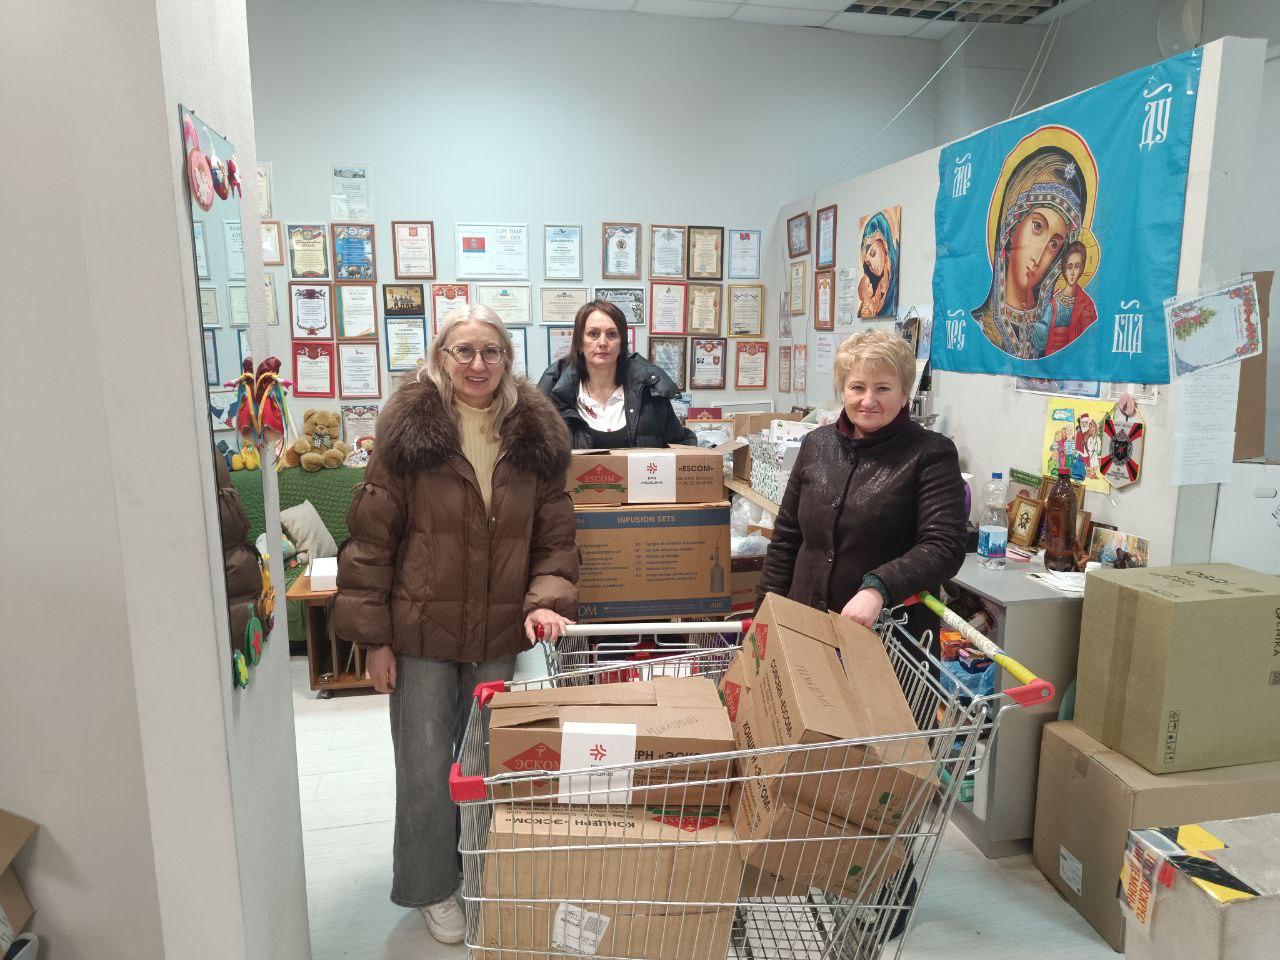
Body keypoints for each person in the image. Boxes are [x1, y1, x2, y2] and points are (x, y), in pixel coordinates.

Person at [333, 304, 578, 944]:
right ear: (442, 356)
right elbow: (370, 541)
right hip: (420, 631)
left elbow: (554, 536)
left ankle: (480, 869)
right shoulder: (409, 431)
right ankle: (431, 886)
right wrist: (375, 640)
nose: (477, 364)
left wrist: (545, 600)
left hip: (496, 633)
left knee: (485, 763)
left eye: (490, 351)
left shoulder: (534, 435)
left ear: (507, 359)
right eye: (463, 351)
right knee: (423, 767)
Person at [758, 330, 967, 644]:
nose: (868, 401)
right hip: (805, 626)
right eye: (857, 387)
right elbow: (787, 538)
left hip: (887, 635)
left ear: (905, 394)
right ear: (843, 390)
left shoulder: (931, 453)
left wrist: (879, 587)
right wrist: (763, 616)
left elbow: (944, 546)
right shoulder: (817, 443)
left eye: (883, 388)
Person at [972, 144, 1088, 359]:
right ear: (1012, 225)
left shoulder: (1054, 324)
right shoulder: (979, 328)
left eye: (1054, 244)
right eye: (1037, 227)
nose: (1039, 255)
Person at [537, 299, 696, 448]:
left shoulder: (650, 394)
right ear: (579, 343)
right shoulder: (553, 400)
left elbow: (681, 447)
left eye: (612, 334)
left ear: (621, 344)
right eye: (593, 334)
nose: (602, 343)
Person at [1036, 240, 1098, 356]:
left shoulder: (1087, 305)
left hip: (1076, 359)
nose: (1073, 273)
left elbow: (1091, 339)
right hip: (1053, 360)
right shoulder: (1053, 303)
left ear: (1082, 268)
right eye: (1069, 267)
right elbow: (1041, 340)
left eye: (1077, 267)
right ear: (1064, 268)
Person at [856, 211, 900, 319]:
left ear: (885, 245)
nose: (872, 265)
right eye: (868, 263)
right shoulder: (874, 292)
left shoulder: (894, 281)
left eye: (873, 253)